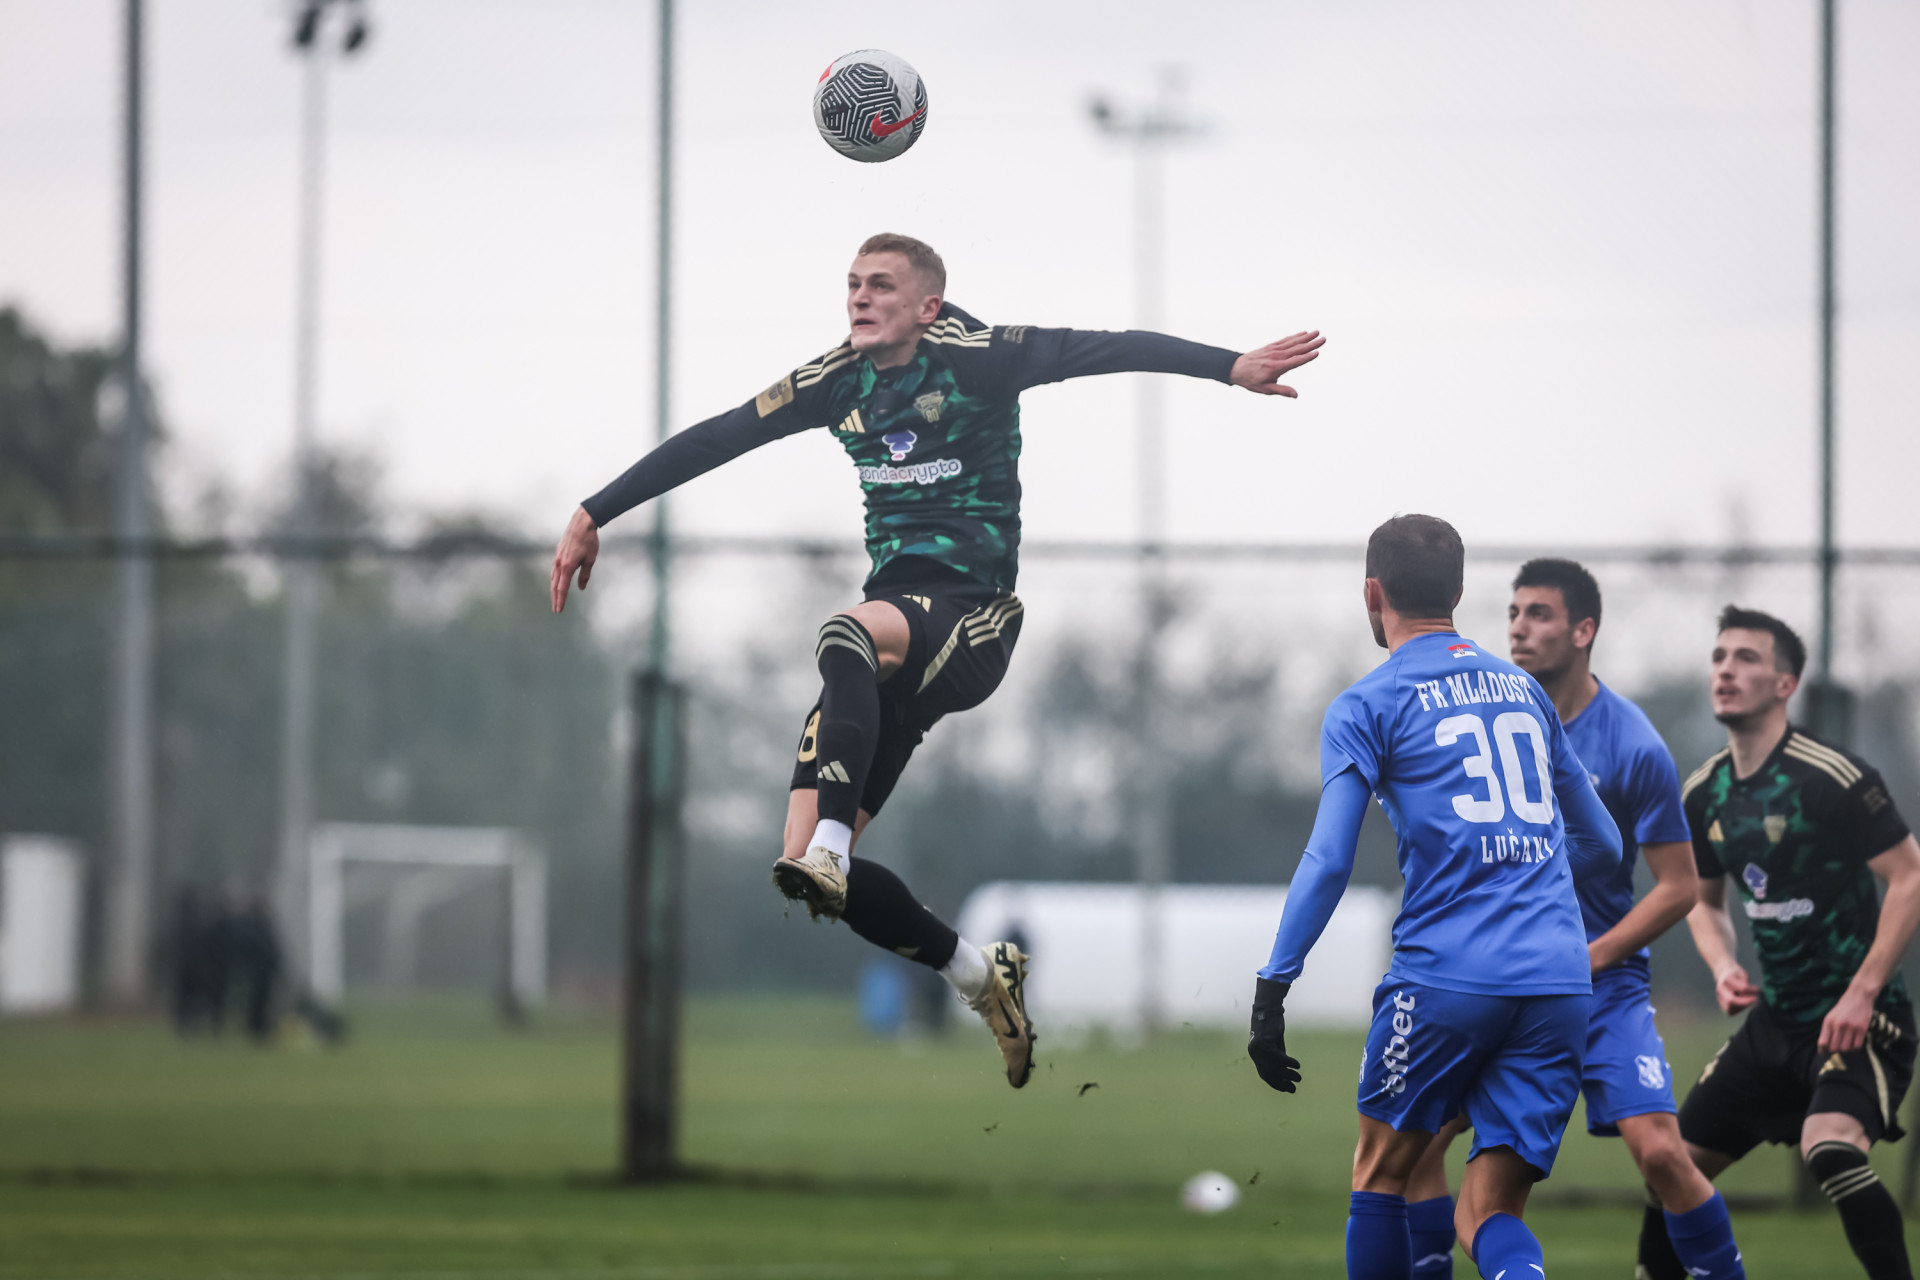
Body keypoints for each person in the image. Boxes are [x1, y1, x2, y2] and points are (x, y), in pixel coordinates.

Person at [551, 232, 1325, 1088]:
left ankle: (834, 846)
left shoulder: (979, 356)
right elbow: (719, 437)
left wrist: (1229, 367)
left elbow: (1107, 348)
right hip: (890, 642)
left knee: (842, 640)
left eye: (880, 285)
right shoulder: (836, 379)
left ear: (927, 305)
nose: (859, 297)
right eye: (852, 283)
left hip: (972, 617)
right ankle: (980, 976)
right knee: (807, 867)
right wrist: (594, 511)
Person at [1246, 514, 1622, 1280]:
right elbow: (1605, 846)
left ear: (1372, 594)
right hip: (1557, 978)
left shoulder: (1367, 704)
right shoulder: (1524, 690)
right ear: (1457, 592)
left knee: (1380, 1170)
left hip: (1447, 974)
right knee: (1489, 1213)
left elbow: (1328, 860)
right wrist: (1524, 878)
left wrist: (1274, 984)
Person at [1400, 559, 1744, 1280]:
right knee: (1416, 1151)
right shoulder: (1487, 719)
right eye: (1513, 612)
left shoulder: (1632, 744)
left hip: (1602, 986)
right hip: (1501, 979)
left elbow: (1679, 887)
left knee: (1661, 1153)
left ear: (1584, 631)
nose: (1519, 628)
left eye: (1540, 614)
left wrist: (1594, 955)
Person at [1637, 607, 1920, 1280]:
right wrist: (1722, 964)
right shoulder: (1705, 792)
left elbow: (1910, 878)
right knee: (1668, 1167)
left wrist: (1861, 994)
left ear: (1786, 684)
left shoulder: (1832, 777)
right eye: (1719, 657)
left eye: (1747, 658)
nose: (1726, 670)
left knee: (1832, 1150)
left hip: (1861, 1022)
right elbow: (1704, 902)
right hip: (1776, 1023)